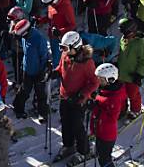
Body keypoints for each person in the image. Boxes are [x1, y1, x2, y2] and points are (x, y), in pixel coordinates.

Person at [52, 31, 97, 164]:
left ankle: (84, 151)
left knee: (77, 125)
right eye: (62, 47)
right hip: (64, 96)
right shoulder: (65, 55)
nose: (63, 50)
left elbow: (94, 82)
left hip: (78, 100)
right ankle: (68, 145)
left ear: (75, 47)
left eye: (65, 48)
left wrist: (82, 95)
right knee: (65, 122)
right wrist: (54, 72)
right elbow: (61, 68)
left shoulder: (86, 62)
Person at [10, 18, 50, 121]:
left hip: (38, 71)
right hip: (27, 69)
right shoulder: (24, 37)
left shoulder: (39, 39)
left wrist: (42, 70)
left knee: (40, 92)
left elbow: (44, 55)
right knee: (24, 90)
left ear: (26, 32)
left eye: (21, 36)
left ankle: (42, 113)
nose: (20, 38)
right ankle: (18, 108)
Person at [89, 63, 125, 167]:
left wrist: (95, 105)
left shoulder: (114, 97)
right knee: (101, 155)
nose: (98, 81)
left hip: (106, 134)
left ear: (110, 79)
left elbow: (111, 117)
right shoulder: (105, 90)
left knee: (104, 159)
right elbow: (102, 101)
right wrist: (95, 98)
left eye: (101, 79)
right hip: (99, 130)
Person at [115, 18, 144, 121]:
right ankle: (122, 109)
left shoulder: (139, 44)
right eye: (122, 32)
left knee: (133, 94)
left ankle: (136, 109)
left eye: (126, 32)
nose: (123, 35)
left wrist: (139, 74)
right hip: (121, 74)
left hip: (132, 75)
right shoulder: (123, 39)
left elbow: (143, 61)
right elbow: (121, 53)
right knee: (121, 94)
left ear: (132, 30)